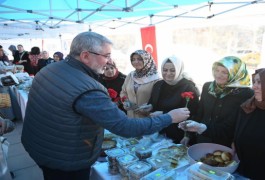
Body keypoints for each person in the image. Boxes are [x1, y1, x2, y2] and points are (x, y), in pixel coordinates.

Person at [21, 31, 190, 180]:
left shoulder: (50, 69)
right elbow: (125, 127)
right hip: (65, 158)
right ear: (86, 55)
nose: (109, 61)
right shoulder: (87, 88)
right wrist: (169, 117)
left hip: (42, 146)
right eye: (106, 55)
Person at [179, 56, 253, 147]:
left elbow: (235, 125)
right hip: (202, 139)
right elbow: (200, 113)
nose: (218, 75)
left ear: (236, 74)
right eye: (217, 70)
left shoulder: (245, 94)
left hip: (225, 144)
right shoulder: (208, 87)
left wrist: (201, 128)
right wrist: (188, 134)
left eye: (224, 72)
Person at [146, 56, 200, 144]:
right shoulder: (158, 85)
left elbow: (192, 114)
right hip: (158, 131)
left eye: (172, 70)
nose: (168, 73)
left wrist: (188, 135)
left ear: (179, 70)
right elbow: (153, 102)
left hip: (177, 134)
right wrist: (149, 106)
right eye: (165, 70)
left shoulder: (188, 87)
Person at [120, 50, 160, 118]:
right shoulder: (130, 75)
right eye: (133, 59)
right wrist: (126, 101)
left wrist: (149, 107)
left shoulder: (156, 78)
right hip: (131, 117)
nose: (136, 62)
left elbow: (158, 99)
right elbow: (123, 92)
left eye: (139, 59)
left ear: (147, 60)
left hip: (148, 119)